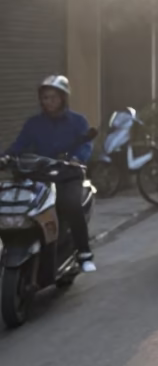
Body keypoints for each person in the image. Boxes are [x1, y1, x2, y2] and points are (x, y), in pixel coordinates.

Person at [7, 75, 96, 271]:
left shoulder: (78, 121)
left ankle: (84, 253)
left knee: (71, 204)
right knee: (15, 204)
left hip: (67, 175)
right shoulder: (33, 123)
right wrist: (5, 157)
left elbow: (86, 144)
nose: (49, 101)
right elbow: (19, 144)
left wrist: (77, 159)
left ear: (63, 98)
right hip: (40, 175)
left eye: (53, 97)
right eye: (45, 98)